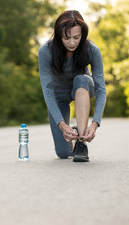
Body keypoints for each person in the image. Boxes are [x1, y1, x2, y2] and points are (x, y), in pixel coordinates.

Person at [38, 10, 106, 162]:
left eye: (76, 37)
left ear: (83, 35)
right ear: (58, 35)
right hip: (58, 95)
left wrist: (94, 124)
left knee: (81, 79)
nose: (71, 42)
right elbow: (48, 91)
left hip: (82, 88)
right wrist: (62, 125)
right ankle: (74, 133)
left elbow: (101, 90)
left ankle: (81, 142)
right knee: (63, 153)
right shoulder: (46, 51)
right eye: (66, 38)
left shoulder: (92, 50)